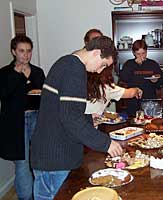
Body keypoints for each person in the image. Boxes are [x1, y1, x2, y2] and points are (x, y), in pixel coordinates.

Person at [30, 36, 123, 199]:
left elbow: (63, 111)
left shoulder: (66, 63)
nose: (100, 70)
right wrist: (106, 143)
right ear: (96, 53)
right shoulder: (74, 68)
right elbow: (71, 118)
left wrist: (88, 119)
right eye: (103, 65)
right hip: (55, 159)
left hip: (52, 156)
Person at [0, 35, 45, 200]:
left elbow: (45, 94)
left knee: (39, 157)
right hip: (16, 123)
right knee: (22, 162)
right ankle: (26, 198)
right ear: (13, 51)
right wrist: (15, 73)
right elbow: (3, 94)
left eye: (28, 51)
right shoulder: (4, 73)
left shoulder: (37, 72)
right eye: (21, 51)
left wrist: (40, 93)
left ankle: (41, 194)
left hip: (37, 117)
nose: (25, 55)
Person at [119, 39, 163, 116]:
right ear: (133, 53)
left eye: (143, 53)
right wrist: (133, 66)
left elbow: (161, 81)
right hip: (133, 100)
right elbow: (123, 78)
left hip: (150, 99)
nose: (141, 56)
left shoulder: (152, 64)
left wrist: (156, 80)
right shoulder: (129, 64)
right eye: (138, 54)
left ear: (146, 52)